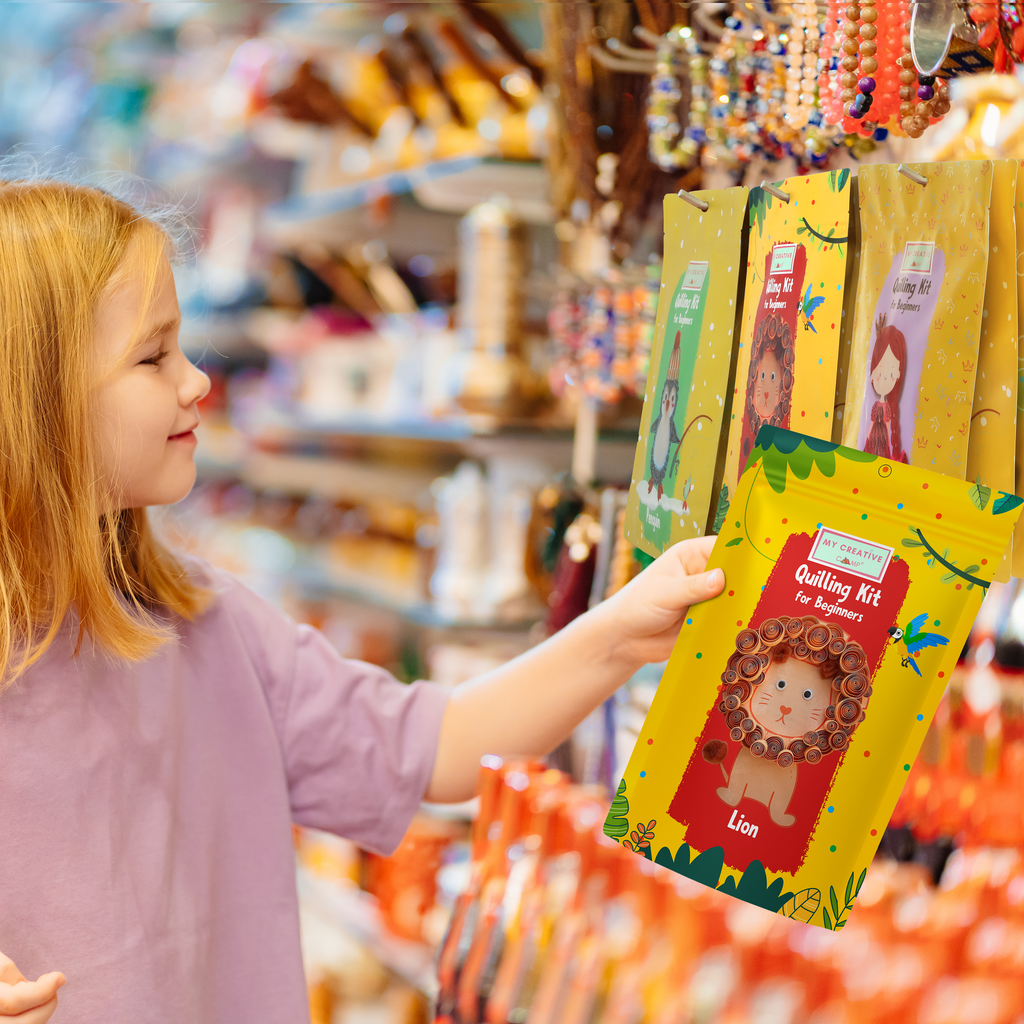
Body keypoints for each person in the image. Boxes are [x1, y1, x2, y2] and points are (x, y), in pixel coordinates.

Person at [0, 179, 725, 1024]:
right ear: (35, 403)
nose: (197, 381)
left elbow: (432, 749)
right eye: (153, 357)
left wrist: (621, 631)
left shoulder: (211, 626)